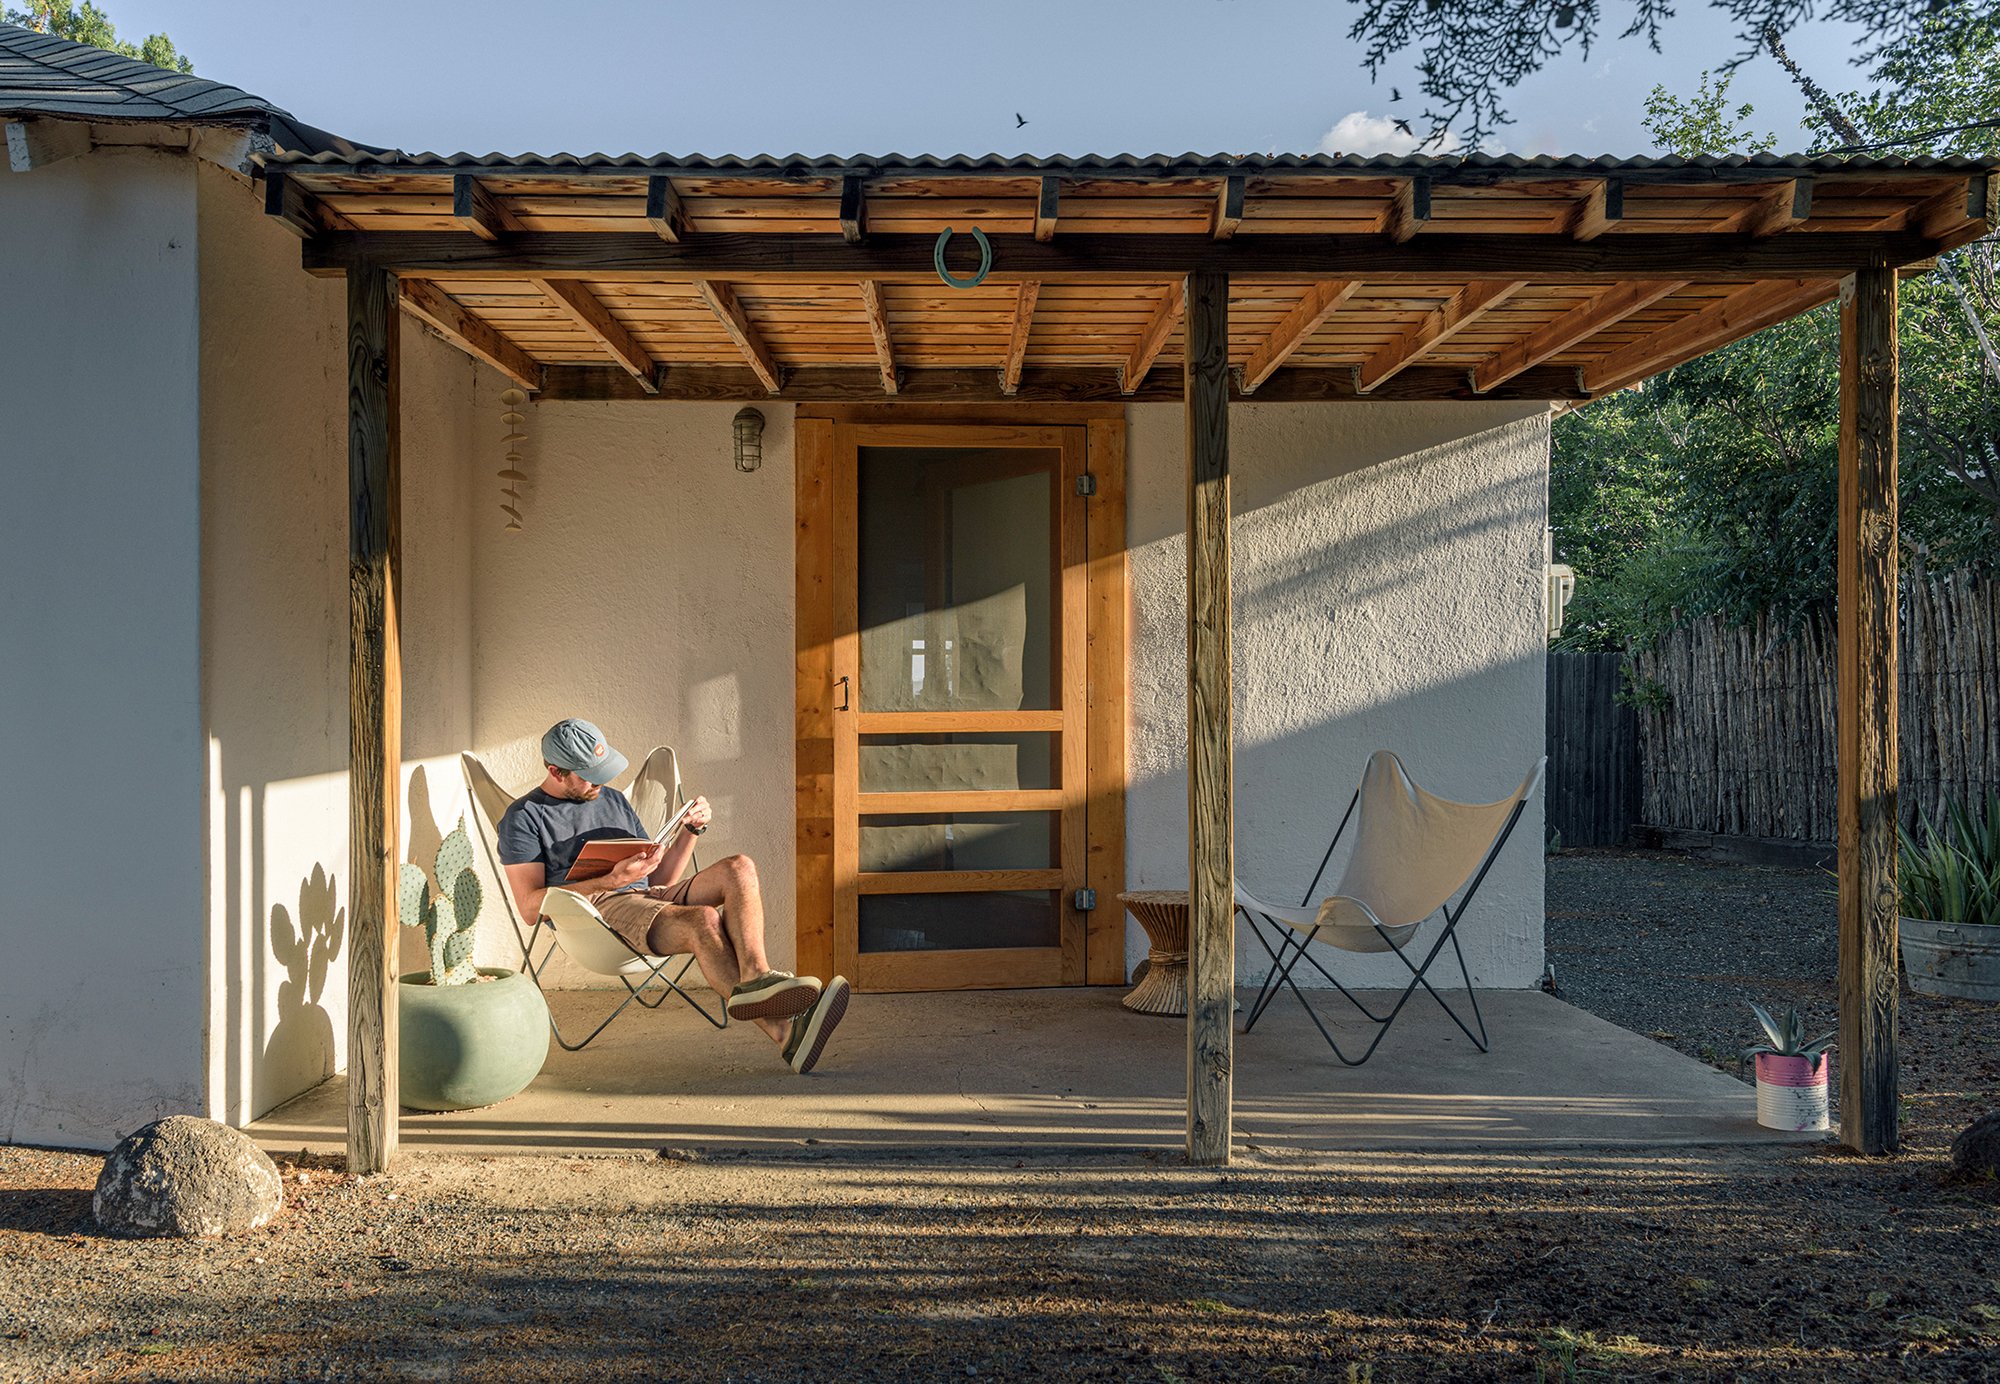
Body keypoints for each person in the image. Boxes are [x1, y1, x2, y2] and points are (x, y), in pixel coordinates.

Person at [497, 717, 849, 1074]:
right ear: (556, 772)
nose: (601, 782)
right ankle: (784, 1030)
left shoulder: (614, 799)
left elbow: (661, 878)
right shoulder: (524, 818)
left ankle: (758, 977)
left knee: (739, 867)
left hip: (647, 896)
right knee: (702, 919)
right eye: (589, 774)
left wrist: (691, 831)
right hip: (596, 914)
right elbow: (529, 908)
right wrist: (610, 880)